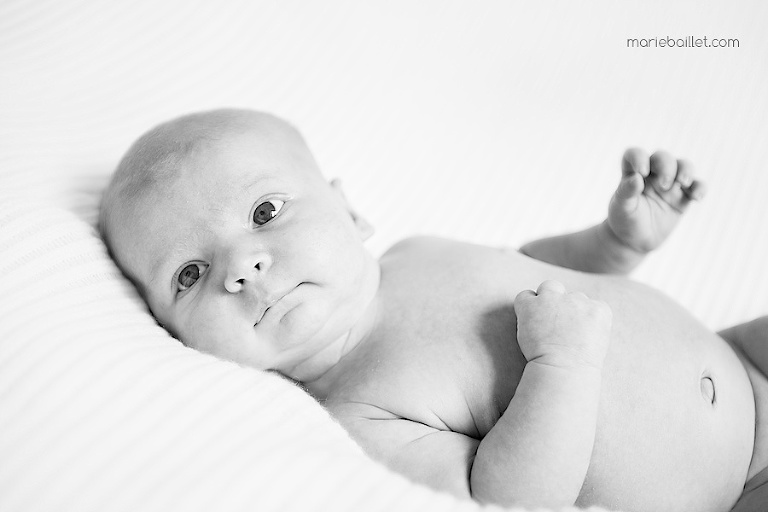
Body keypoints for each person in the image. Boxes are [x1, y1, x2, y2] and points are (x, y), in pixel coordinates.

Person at [98, 108, 768, 512]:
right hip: (732, 487)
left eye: (265, 212)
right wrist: (562, 364)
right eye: (189, 273)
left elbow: (533, 267)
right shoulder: (361, 411)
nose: (241, 267)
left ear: (349, 210)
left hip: (740, 352)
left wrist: (614, 243)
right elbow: (510, 496)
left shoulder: (420, 252)